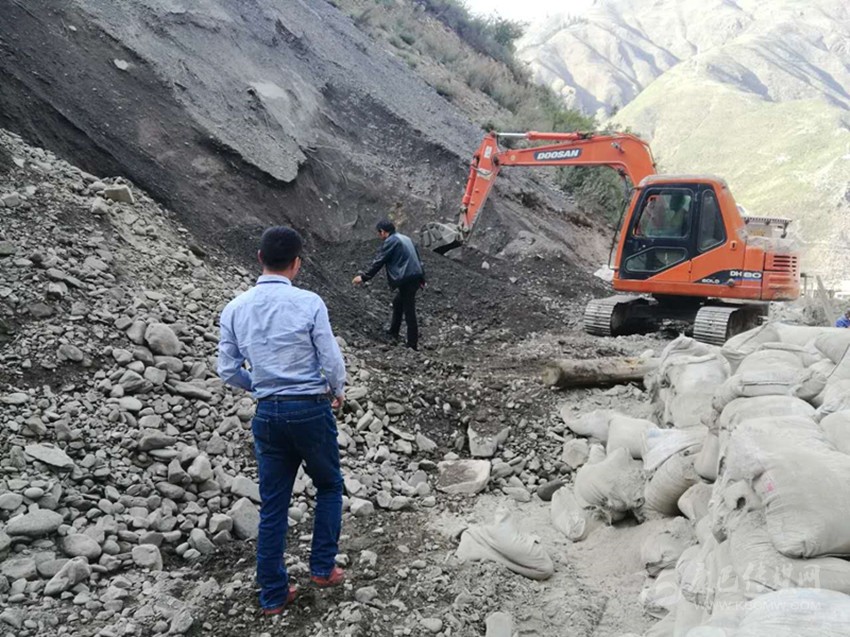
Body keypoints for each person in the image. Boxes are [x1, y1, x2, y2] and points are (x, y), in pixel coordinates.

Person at [217, 226, 347, 615]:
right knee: (328, 486)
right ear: (297, 264)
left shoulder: (235, 308)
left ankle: (273, 594)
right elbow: (330, 358)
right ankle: (322, 569)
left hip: (268, 414)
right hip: (310, 410)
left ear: (259, 258)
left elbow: (227, 369)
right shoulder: (309, 303)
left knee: (273, 504)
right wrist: (337, 389)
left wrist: (258, 385)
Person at [352, 219, 425, 350]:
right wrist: (422, 278)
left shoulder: (391, 241)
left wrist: (364, 277)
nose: (379, 236)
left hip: (407, 278)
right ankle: (393, 331)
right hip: (415, 276)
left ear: (383, 232)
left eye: (379, 233)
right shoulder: (405, 238)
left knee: (409, 310)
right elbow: (418, 258)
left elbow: (380, 261)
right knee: (398, 303)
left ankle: (412, 344)